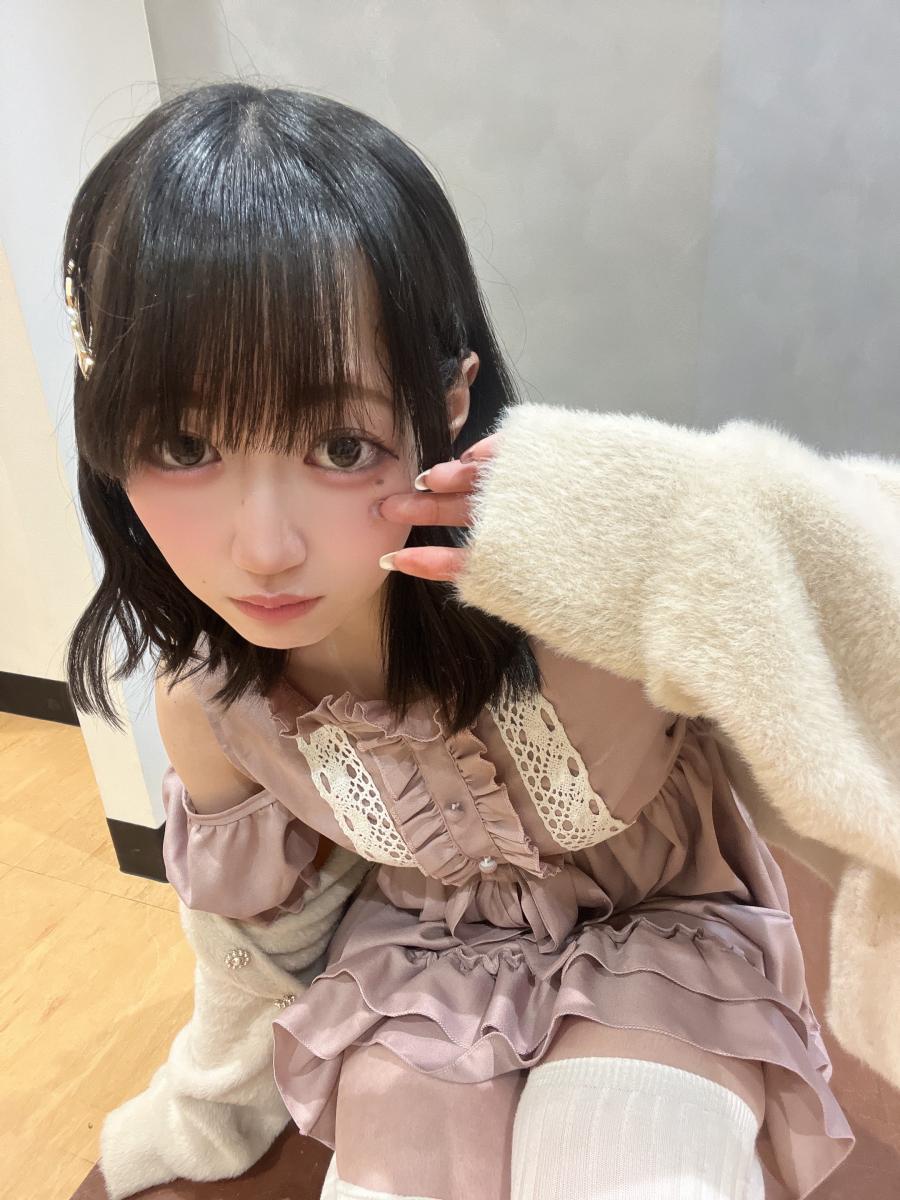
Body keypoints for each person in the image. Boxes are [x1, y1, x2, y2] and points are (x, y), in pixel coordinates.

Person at [61, 81, 900, 1200]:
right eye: (182, 444)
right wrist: (200, 1115)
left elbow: (863, 667)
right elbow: (260, 957)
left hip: (668, 936)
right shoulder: (209, 705)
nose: (263, 549)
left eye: (339, 445)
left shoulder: (575, 595)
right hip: (423, 971)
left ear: (450, 401)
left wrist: (700, 527)